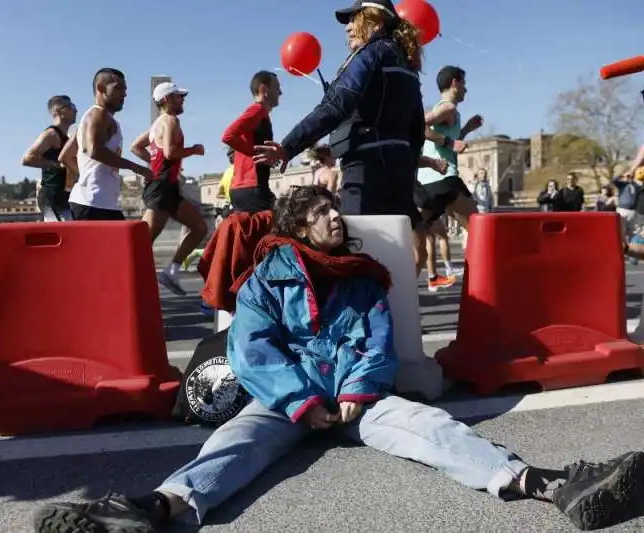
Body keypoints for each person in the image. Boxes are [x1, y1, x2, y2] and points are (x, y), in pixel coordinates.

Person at [33, 185, 644, 533]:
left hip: (358, 402)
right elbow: (253, 348)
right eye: (321, 212)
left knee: (431, 427)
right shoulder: (267, 276)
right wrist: (300, 400)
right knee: (231, 446)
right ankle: (150, 512)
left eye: (335, 209)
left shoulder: (363, 278)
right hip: (284, 405)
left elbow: (376, 342)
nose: (334, 217)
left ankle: (552, 485)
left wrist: (356, 391)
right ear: (298, 226)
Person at [252, 0, 436, 274]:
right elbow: (416, 125)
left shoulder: (370, 54)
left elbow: (337, 105)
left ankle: (357, 314)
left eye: (354, 18)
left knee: (352, 249)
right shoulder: (406, 62)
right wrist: (407, 171)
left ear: (375, 20)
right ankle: (394, 313)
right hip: (398, 171)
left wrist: (288, 147)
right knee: (394, 258)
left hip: (367, 170)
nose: (348, 27)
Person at [130, 81, 208, 295]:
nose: (183, 99)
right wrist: (193, 150)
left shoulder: (157, 125)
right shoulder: (171, 121)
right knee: (142, 243)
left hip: (167, 186)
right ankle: (124, 281)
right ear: (166, 100)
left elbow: (136, 147)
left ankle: (171, 271)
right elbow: (170, 153)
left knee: (200, 227)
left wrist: (153, 166)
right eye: (178, 96)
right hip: (162, 187)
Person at [68, 68, 151, 221]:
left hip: (104, 203)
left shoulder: (100, 119)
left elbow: (66, 155)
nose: (124, 94)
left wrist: (85, 174)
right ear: (100, 88)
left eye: (125, 89)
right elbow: (93, 150)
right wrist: (139, 169)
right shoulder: (97, 114)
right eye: (118, 88)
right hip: (91, 204)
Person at [414, 65, 484, 233]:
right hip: (444, 180)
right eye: (464, 83)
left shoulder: (451, 112)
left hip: (430, 182)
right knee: (479, 230)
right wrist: (449, 143)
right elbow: (417, 126)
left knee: (418, 245)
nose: (466, 89)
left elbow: (449, 140)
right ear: (455, 83)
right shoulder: (447, 108)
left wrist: (466, 129)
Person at [222, 70, 281, 213]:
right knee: (279, 226)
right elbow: (228, 135)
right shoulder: (256, 110)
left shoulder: (260, 114)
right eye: (277, 88)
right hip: (251, 189)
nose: (280, 92)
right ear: (263, 89)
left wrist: (267, 155)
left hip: (247, 188)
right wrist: (254, 152)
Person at [22, 95, 77, 222]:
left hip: (65, 196)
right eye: (71, 107)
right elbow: (27, 158)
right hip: (52, 196)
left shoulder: (65, 137)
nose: (75, 110)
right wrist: (59, 165)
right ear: (59, 111)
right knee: (64, 235)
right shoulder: (51, 134)